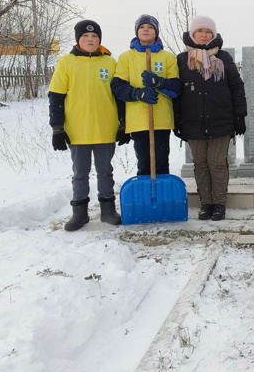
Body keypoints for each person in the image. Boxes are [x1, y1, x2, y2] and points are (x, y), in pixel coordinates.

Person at [48, 19, 129, 231]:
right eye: (86, 36)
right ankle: (80, 213)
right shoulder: (66, 62)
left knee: (105, 171)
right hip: (77, 130)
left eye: (94, 37)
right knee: (80, 173)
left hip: (105, 128)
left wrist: (123, 124)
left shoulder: (110, 63)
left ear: (99, 40)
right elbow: (56, 96)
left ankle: (108, 210)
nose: (90, 40)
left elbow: (120, 97)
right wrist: (57, 128)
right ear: (78, 40)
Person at [173, 16, 247, 222]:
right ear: (192, 34)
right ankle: (206, 203)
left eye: (208, 32)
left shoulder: (224, 58)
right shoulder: (181, 60)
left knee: (217, 164)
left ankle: (219, 204)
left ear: (213, 35)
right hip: (193, 123)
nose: (204, 35)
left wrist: (240, 115)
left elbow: (236, 87)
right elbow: (177, 93)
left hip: (221, 122)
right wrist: (177, 120)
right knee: (200, 165)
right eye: (200, 31)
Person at [111, 15, 181, 177]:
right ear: (137, 31)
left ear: (156, 32)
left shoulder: (167, 57)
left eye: (150, 27)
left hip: (161, 120)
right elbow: (118, 87)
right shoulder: (126, 58)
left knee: (162, 163)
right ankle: (145, 195)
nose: (146, 30)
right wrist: (138, 93)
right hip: (138, 121)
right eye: (142, 27)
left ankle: (162, 196)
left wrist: (159, 83)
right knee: (144, 163)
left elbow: (176, 89)